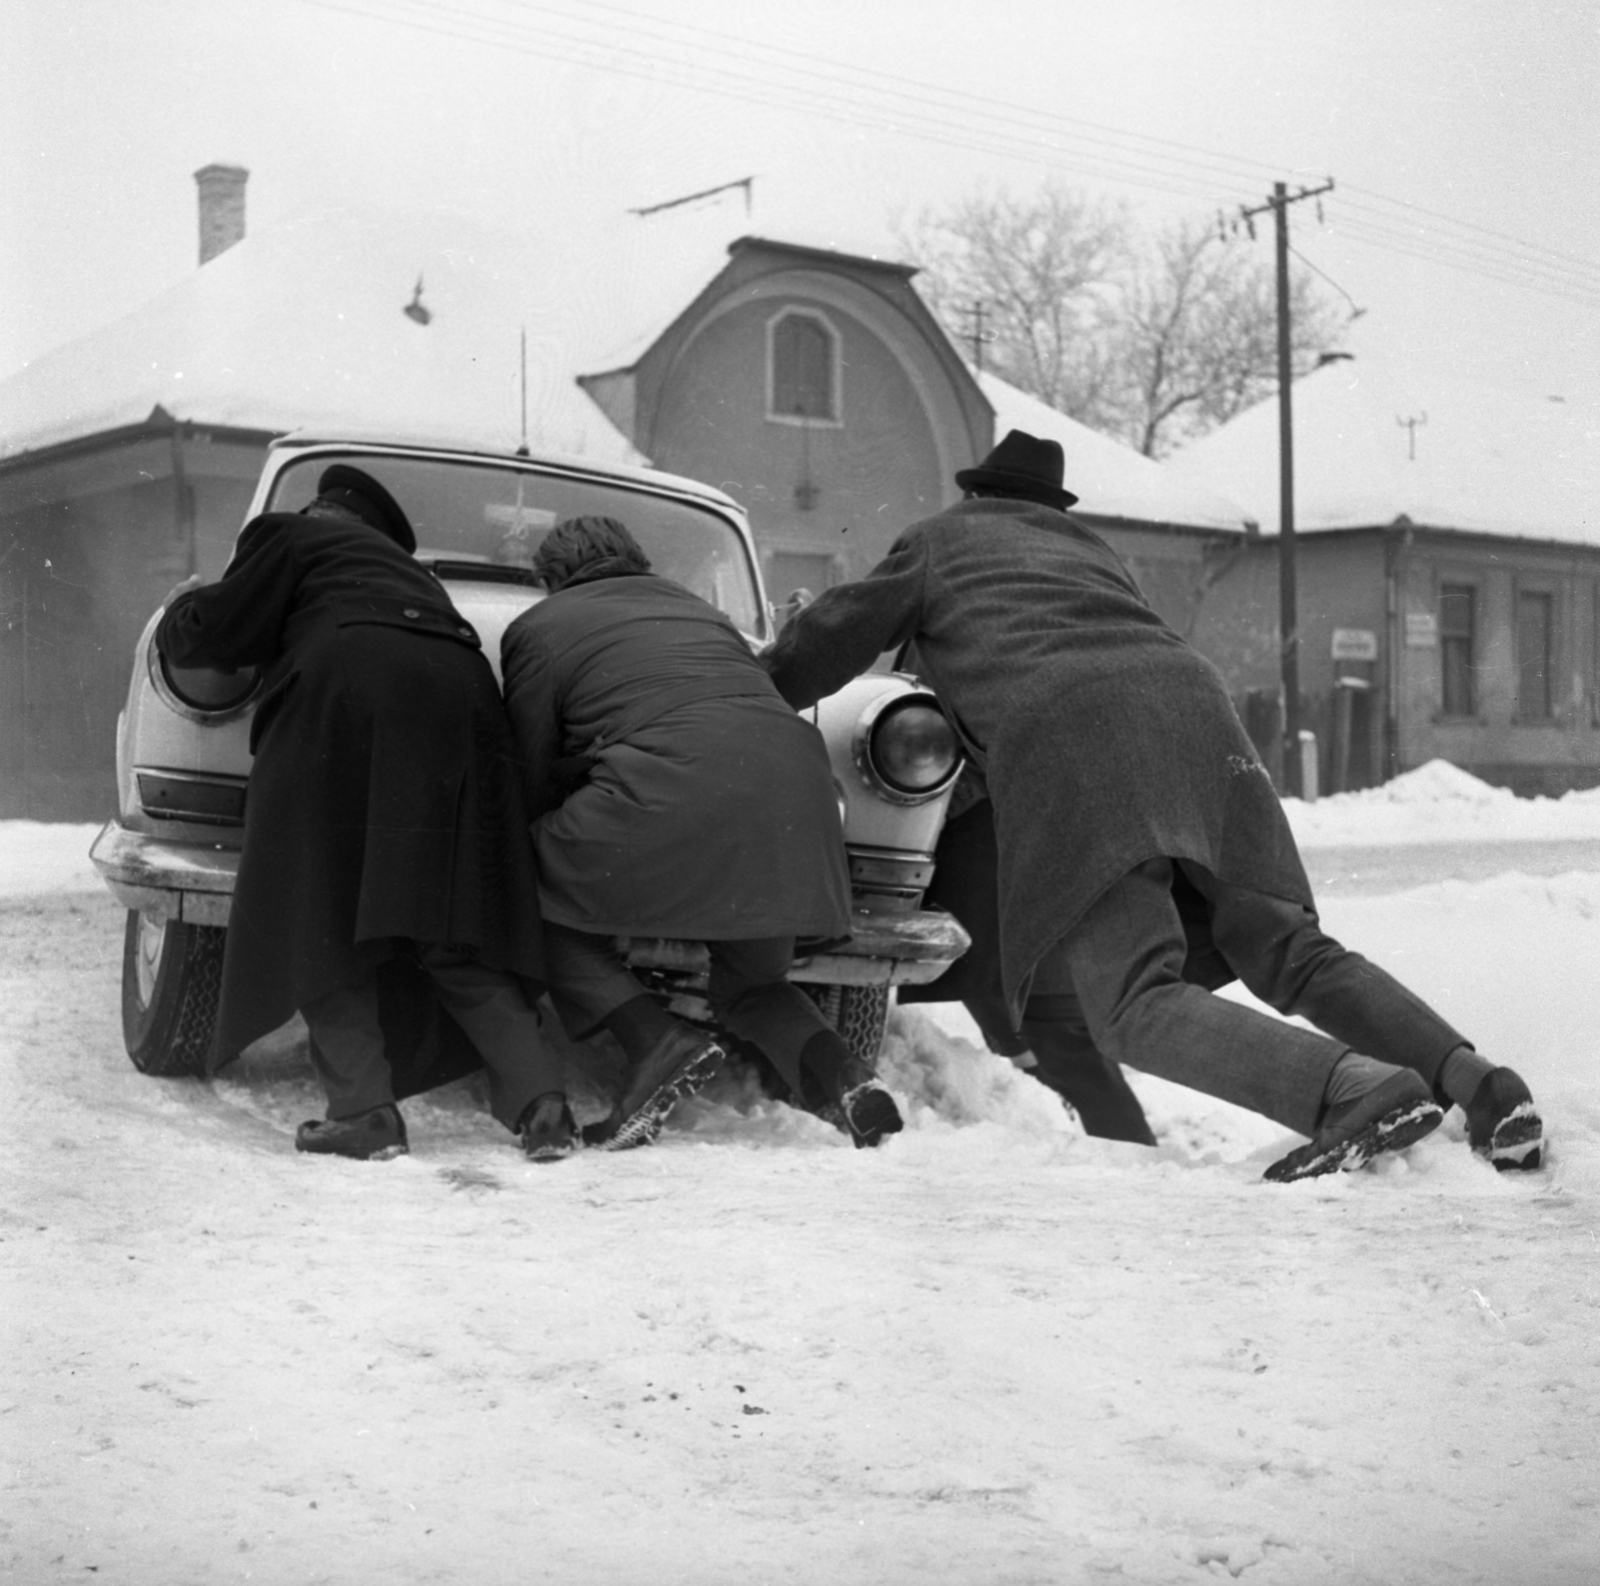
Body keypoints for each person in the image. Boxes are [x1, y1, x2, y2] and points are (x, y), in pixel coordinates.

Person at [762, 430, 1544, 1181]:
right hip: (1201, 721)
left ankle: (1350, 1088)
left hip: (1081, 741)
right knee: (1291, 950)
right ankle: (1479, 1085)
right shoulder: (1088, 554)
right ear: (1052, 505)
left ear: (976, 492)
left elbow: (833, 639)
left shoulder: (939, 541)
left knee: (1134, 1001)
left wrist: (743, 694)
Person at [156, 464, 578, 1163]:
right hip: (464, 704)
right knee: (451, 925)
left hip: (347, 695)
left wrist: (181, 610)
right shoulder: (419, 581)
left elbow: (219, 630)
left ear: (324, 514)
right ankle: (544, 1103)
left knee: (320, 915)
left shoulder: (288, 535)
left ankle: (364, 1113)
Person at [500, 514, 904, 1150]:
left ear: (552, 579)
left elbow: (527, 770)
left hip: (666, 799)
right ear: (636, 558)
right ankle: (848, 1079)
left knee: (525, 895)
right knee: (753, 985)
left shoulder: (539, 627)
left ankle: (656, 1042)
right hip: (799, 811)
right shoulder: (704, 615)